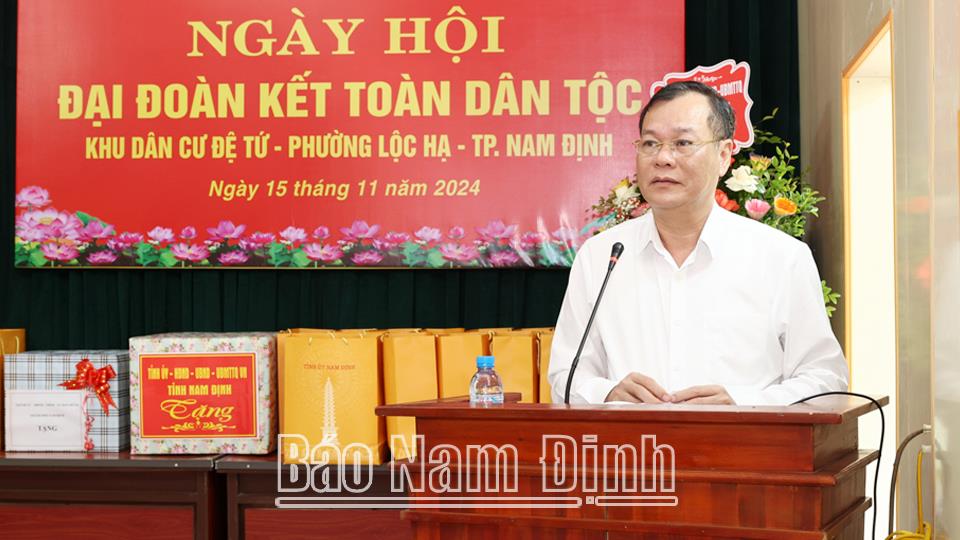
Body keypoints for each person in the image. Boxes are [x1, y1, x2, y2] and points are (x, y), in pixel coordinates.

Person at [548, 81, 848, 406]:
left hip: (746, 439)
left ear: (724, 156)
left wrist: (743, 403)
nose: (663, 158)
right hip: (635, 439)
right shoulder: (601, 257)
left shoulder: (781, 257)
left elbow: (826, 381)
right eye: (650, 143)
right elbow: (565, 377)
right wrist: (607, 393)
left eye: (683, 143)